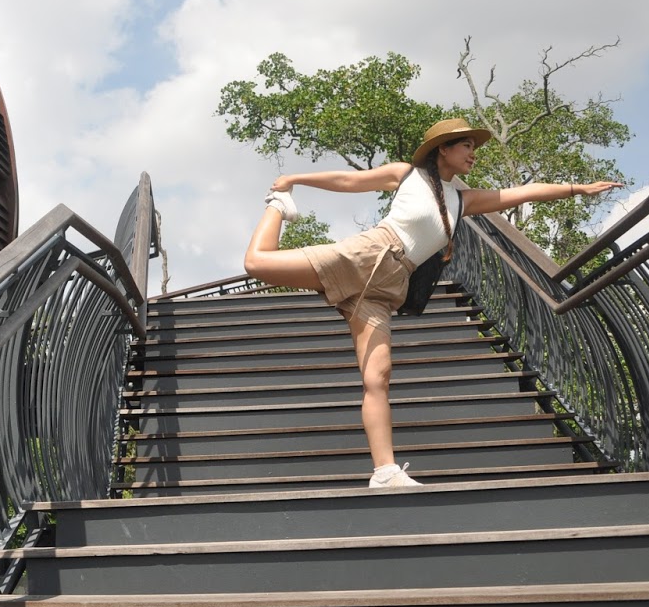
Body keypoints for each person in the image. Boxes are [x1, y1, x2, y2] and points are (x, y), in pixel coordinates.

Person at [242, 117, 623, 488]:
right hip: (369, 253)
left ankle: (385, 472)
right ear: (443, 148)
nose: (473, 153)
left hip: (386, 287)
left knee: (378, 377)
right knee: (258, 263)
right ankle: (278, 206)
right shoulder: (406, 174)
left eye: (473, 147)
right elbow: (349, 181)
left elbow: (522, 193)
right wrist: (294, 181)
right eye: (467, 145)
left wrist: (577, 188)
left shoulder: (462, 200)